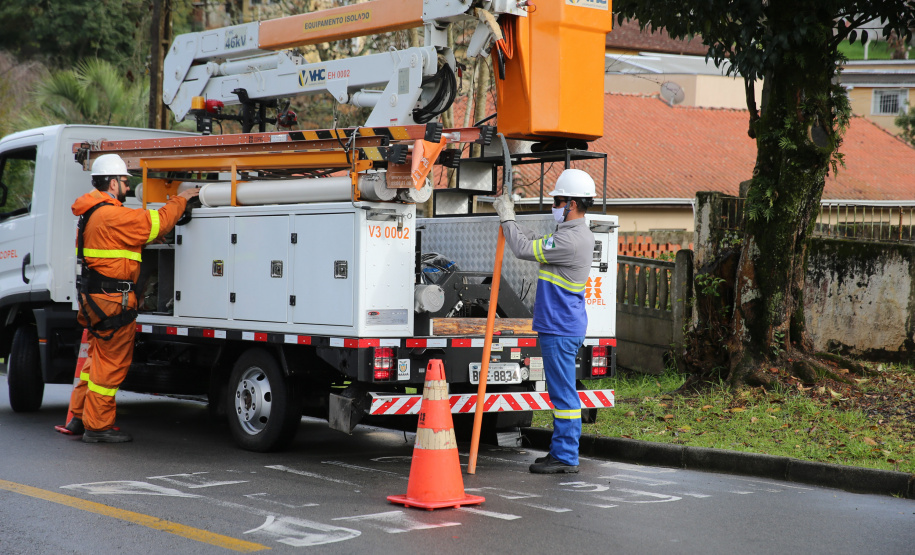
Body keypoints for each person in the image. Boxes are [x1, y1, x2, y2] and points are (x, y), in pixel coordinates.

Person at [63, 154, 199, 443]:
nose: (127, 187)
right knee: (111, 365)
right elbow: (159, 222)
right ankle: (97, 427)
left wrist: (145, 238)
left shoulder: (93, 213)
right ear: (113, 182)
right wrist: (182, 199)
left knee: (96, 362)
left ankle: (79, 416)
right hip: (113, 301)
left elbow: (115, 242)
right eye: (125, 182)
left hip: (96, 299)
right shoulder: (112, 214)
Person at [493, 168, 596, 474]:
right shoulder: (569, 235)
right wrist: (514, 221)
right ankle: (561, 452)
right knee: (562, 392)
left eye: (559, 200)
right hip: (561, 325)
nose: (556, 205)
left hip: (560, 328)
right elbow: (537, 244)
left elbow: (524, 249)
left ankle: (565, 456)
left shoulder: (572, 240)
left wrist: (507, 218)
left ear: (572, 204)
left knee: (563, 395)